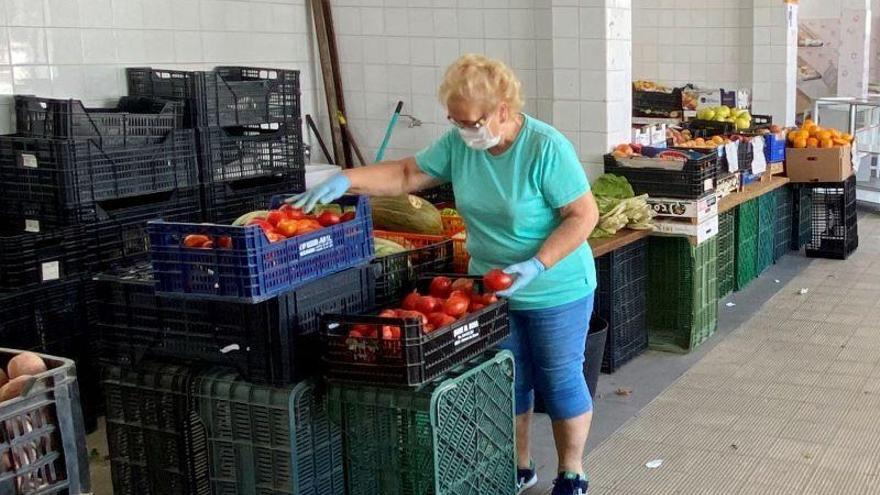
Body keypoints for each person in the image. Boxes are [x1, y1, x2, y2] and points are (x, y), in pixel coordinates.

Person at [291, 54, 599, 495]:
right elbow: (405, 173)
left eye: (471, 121)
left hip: (556, 286)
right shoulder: (459, 145)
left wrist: (537, 263)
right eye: (456, 121)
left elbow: (583, 216)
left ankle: (571, 472)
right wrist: (345, 179)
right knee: (508, 379)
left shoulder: (545, 148)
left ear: (503, 111)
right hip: (491, 287)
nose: (463, 130)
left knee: (560, 376)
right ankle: (519, 465)